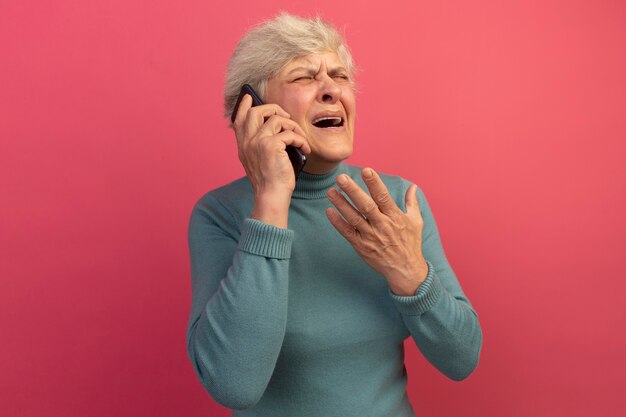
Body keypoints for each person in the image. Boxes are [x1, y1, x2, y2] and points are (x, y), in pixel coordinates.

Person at [186, 13, 482, 416]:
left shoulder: (397, 202)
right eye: (304, 77)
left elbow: (462, 358)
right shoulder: (220, 215)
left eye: (340, 76)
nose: (331, 91)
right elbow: (234, 383)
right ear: (253, 108)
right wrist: (272, 198)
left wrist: (408, 270)